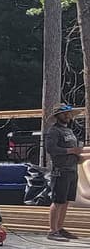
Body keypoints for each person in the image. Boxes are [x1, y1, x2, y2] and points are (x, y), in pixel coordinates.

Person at [45, 103, 82, 241]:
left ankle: (59, 228)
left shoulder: (69, 131)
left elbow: (73, 149)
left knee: (66, 201)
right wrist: (71, 151)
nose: (67, 116)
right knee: (58, 201)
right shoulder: (54, 131)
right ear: (57, 116)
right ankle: (52, 231)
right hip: (60, 171)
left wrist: (77, 156)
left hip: (72, 170)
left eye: (69, 113)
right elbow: (51, 149)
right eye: (64, 113)